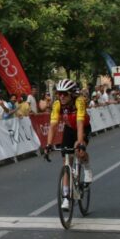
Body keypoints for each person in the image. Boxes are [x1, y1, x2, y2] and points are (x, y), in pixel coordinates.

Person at [44, 79, 92, 211]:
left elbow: (80, 123)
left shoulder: (79, 101)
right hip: (69, 129)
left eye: (65, 94)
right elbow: (53, 126)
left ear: (71, 94)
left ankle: (87, 168)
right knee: (66, 161)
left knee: (78, 149)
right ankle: (66, 197)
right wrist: (48, 145)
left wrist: (80, 143)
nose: (62, 96)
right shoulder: (57, 104)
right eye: (59, 94)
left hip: (83, 127)